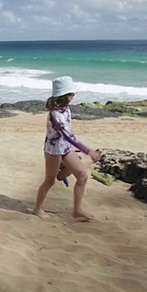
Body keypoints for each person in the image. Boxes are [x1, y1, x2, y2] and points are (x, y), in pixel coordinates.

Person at [33, 76, 101, 221]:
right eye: (71, 93)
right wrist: (89, 152)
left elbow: (68, 136)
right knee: (49, 181)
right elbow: (68, 135)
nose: (73, 96)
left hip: (65, 148)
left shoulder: (66, 109)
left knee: (82, 175)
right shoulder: (55, 115)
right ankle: (38, 209)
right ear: (65, 95)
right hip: (53, 151)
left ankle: (77, 210)